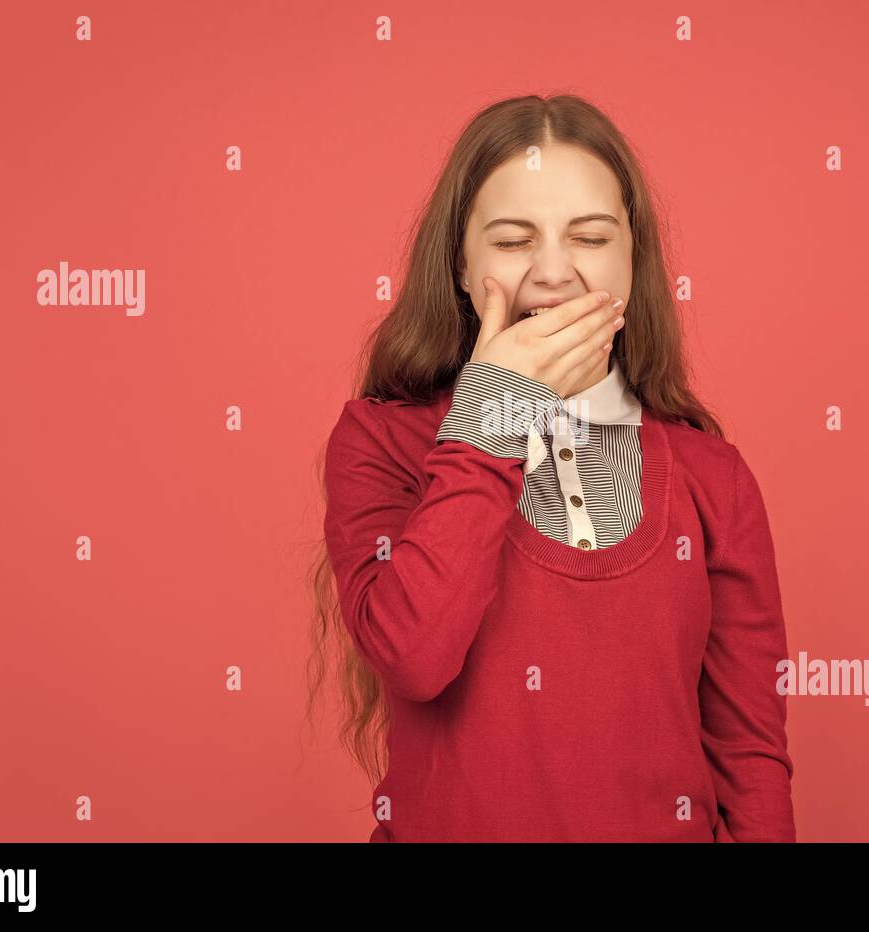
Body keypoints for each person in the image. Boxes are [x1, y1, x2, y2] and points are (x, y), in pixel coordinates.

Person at [305, 93, 795, 842]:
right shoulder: (381, 441)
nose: (555, 271)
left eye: (592, 237)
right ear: (461, 264)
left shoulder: (712, 475)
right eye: (512, 240)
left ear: (635, 260)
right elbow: (413, 656)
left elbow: (750, 758)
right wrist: (497, 410)